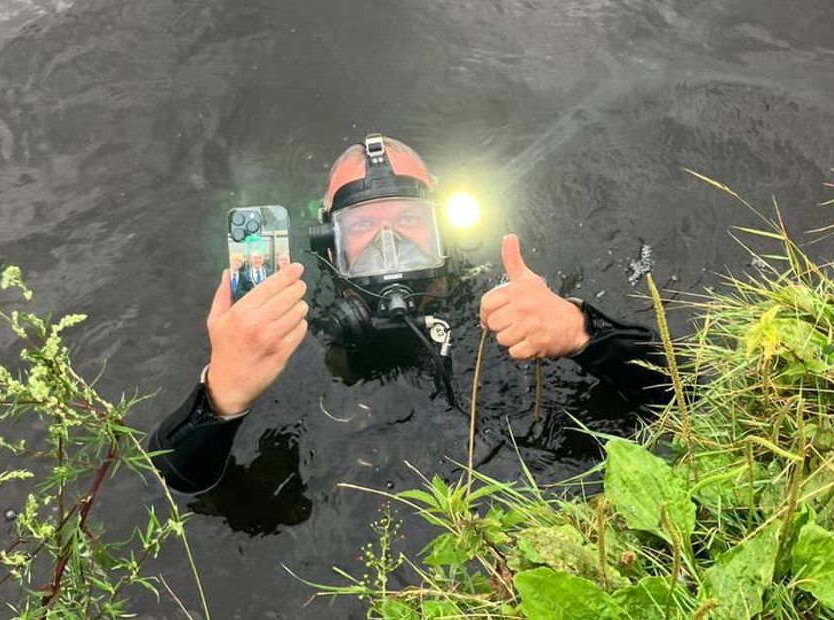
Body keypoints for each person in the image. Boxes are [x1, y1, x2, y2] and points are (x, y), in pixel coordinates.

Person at [149, 135, 664, 493]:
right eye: (364, 226)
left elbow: (685, 390)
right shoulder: (290, 333)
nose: (388, 242)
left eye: (407, 220)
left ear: (443, 227)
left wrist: (582, 329)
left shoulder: (502, 302)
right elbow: (172, 486)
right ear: (330, 243)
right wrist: (220, 396)